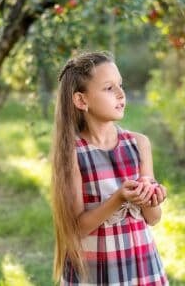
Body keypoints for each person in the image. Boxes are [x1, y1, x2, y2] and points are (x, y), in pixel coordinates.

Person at [50, 51, 168, 285]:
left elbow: (153, 219)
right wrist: (118, 198)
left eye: (120, 85)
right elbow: (75, 230)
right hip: (97, 272)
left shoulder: (139, 144)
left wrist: (152, 200)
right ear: (81, 100)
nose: (121, 94)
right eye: (108, 88)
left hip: (141, 267)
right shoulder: (73, 153)